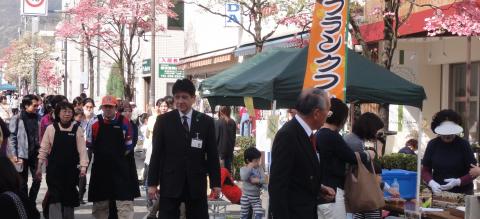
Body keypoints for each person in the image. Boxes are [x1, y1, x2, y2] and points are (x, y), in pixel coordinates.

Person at [147, 79, 221, 219]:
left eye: (185, 97)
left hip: (196, 183)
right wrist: (152, 183)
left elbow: (212, 155)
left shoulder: (206, 122)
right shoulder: (164, 121)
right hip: (170, 183)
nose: (180, 101)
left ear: (193, 98)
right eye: (177, 97)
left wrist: (215, 183)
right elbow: (156, 154)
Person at [268, 88, 335, 219]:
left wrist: (318, 188)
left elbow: (298, 173)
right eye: (328, 113)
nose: (327, 117)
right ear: (316, 113)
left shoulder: (307, 134)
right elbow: (278, 185)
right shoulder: (288, 135)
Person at [316, 98, 376, 219]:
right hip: (333, 193)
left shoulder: (318, 134)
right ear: (341, 118)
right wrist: (368, 154)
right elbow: (352, 157)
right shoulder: (332, 136)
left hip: (320, 193)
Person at [86, 95, 139, 219]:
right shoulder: (94, 122)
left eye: (111, 107)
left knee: (124, 204)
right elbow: (90, 144)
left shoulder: (125, 122)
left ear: (115, 107)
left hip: (120, 168)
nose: (108, 109)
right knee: (100, 205)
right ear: (102, 107)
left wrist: (116, 158)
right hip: (100, 169)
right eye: (106, 107)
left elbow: (128, 146)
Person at [35, 102, 89, 219]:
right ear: (58, 113)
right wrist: (39, 166)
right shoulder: (51, 129)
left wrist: (83, 167)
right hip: (54, 171)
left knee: (69, 199)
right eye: (64, 111)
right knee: (55, 198)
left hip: (71, 172)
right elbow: (43, 149)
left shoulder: (77, 129)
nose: (67, 114)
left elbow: (82, 150)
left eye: (70, 111)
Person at [344, 112, 398, 219]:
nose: (377, 133)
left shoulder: (351, 138)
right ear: (369, 128)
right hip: (356, 191)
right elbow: (367, 173)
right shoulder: (356, 143)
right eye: (376, 130)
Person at [422, 109, 477, 195]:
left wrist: (458, 181)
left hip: (463, 193)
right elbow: (425, 170)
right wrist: (431, 182)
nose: (447, 136)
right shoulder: (432, 144)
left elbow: (475, 172)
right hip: (439, 193)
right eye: (444, 133)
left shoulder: (464, 144)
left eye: (450, 133)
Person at [8, 94, 41, 207]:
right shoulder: (17, 118)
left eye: (38, 105)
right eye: (34, 105)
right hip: (21, 155)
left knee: (37, 180)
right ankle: (25, 205)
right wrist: (14, 155)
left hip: (35, 154)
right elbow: (12, 137)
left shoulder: (37, 117)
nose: (37, 108)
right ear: (26, 105)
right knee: (22, 183)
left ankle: (31, 202)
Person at [240, 147, 267, 219]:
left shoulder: (260, 169)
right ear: (248, 160)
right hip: (245, 196)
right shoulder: (243, 169)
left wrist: (257, 181)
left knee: (259, 213)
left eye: (259, 160)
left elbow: (264, 179)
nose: (258, 163)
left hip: (256, 197)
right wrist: (250, 167)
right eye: (256, 161)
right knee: (244, 214)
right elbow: (244, 177)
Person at [78, 97, 96, 204]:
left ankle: (80, 195)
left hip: (89, 148)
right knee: (78, 170)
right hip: (78, 146)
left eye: (91, 107)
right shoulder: (79, 118)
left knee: (84, 169)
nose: (89, 109)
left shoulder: (96, 119)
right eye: (87, 107)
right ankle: (77, 193)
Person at [215, 106, 236, 172]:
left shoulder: (218, 122)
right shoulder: (233, 122)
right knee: (228, 173)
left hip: (220, 152)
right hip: (229, 152)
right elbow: (233, 138)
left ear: (220, 111)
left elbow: (216, 138)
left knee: (220, 174)